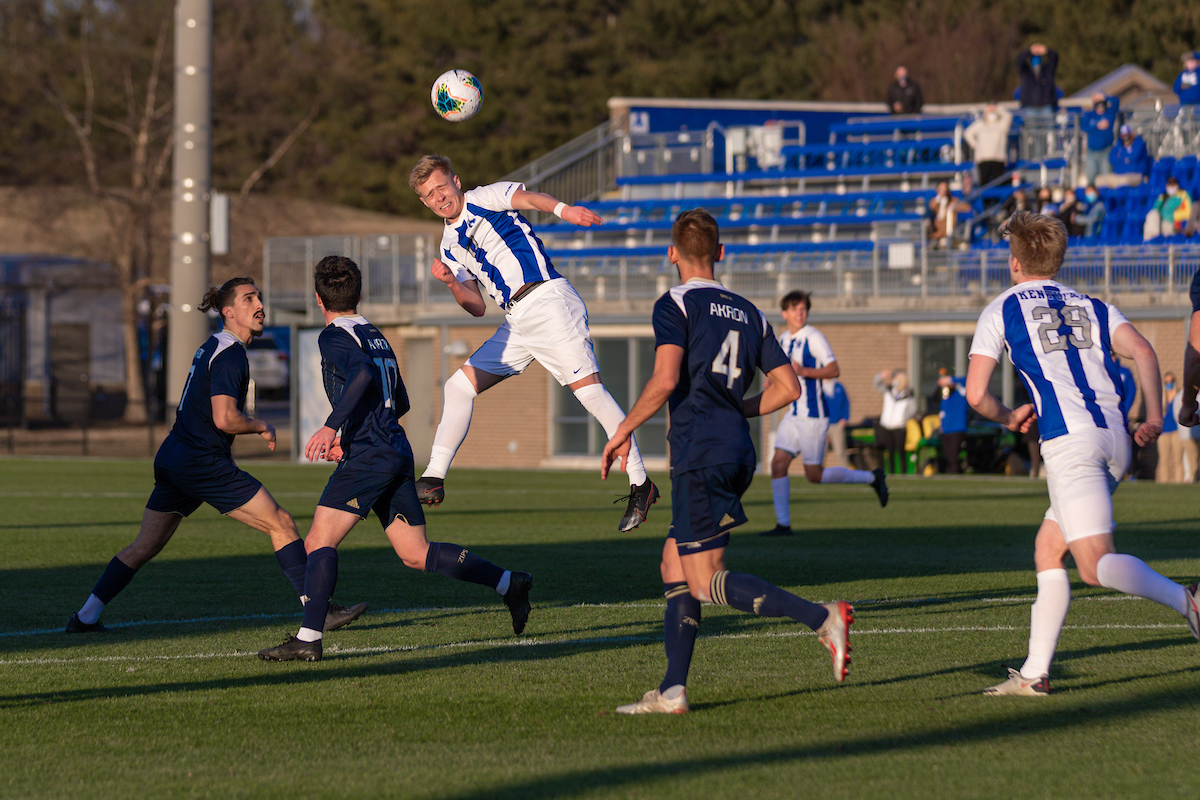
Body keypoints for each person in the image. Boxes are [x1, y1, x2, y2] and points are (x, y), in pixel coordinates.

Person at [600, 209, 853, 714]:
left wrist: (623, 429)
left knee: (703, 579)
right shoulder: (750, 311)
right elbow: (789, 388)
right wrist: (736, 406)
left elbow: (666, 380)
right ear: (720, 253)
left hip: (700, 452)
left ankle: (822, 617)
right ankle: (672, 690)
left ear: (672, 252)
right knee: (675, 562)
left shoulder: (675, 304)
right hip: (736, 449)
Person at [966, 211, 1199, 696]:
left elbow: (975, 396)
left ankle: (1189, 601)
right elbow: (1145, 352)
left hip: (1071, 444)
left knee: (1094, 566)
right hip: (1114, 439)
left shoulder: (1001, 308)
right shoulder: (1092, 304)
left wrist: (1008, 416)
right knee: (1049, 549)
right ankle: (1033, 675)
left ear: (1014, 263)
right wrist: (1154, 416)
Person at [258, 257, 533, 662]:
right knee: (415, 553)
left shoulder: (334, 335)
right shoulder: (374, 334)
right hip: (392, 450)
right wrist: (352, 432)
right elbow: (398, 399)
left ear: (319, 299)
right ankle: (510, 583)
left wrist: (332, 427)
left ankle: (308, 638)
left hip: (370, 455)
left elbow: (362, 378)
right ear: (359, 293)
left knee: (318, 540)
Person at [66, 279, 367, 634]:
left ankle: (84, 617)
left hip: (175, 456)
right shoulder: (231, 353)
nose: (259, 305)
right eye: (248, 299)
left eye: (259, 297)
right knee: (281, 522)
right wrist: (260, 426)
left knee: (144, 545)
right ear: (228, 312)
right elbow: (225, 418)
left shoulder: (212, 345)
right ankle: (321, 611)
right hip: (199, 462)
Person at [407, 155, 658, 532]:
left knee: (590, 394)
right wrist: (451, 283)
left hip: (548, 300)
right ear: (424, 203)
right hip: (517, 321)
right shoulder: (448, 246)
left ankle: (641, 482)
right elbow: (475, 306)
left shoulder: (483, 197)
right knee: (458, 387)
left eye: (442, 186)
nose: (439, 197)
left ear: (456, 181)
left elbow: (528, 198)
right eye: (429, 194)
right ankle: (433, 479)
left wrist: (564, 210)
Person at [758, 291, 887, 537]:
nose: (800, 313)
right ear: (784, 313)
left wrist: (803, 370)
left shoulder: (814, 337)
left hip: (814, 416)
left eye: (804, 309)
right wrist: (773, 382)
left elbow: (834, 369)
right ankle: (783, 524)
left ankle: (872, 477)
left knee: (814, 475)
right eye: (795, 308)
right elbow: (783, 374)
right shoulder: (783, 339)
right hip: (793, 415)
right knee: (778, 464)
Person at [873, 370, 917, 474]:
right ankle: (891, 473)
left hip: (899, 426)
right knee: (890, 451)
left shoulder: (908, 394)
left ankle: (903, 473)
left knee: (901, 451)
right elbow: (875, 384)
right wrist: (880, 376)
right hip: (887, 426)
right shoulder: (888, 390)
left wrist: (903, 418)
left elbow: (913, 409)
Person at [964, 104, 1013, 188]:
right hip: (983, 159)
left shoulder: (1002, 125)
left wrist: (997, 108)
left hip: (998, 159)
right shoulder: (980, 124)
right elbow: (967, 133)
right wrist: (975, 145)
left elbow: (1008, 116)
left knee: (998, 184)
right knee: (984, 183)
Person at [1080, 93, 1119, 185]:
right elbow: (1083, 128)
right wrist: (1097, 126)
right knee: (1090, 175)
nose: (1100, 106)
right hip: (1091, 151)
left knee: (1106, 176)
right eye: (1098, 103)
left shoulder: (1109, 113)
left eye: (1102, 103)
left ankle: (1106, 196)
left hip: (1106, 150)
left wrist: (1104, 96)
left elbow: (1116, 101)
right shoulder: (1090, 114)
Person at [1016, 44, 1059, 119]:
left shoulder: (1047, 69)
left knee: (1049, 130)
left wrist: (1046, 50)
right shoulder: (1026, 71)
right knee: (1031, 130)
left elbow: (1055, 57)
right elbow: (1019, 60)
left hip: (1047, 105)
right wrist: (1030, 51)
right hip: (1030, 106)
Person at [937, 373, 968, 474]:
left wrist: (951, 380)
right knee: (948, 456)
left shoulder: (960, 394)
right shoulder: (945, 398)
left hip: (957, 429)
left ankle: (955, 474)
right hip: (945, 430)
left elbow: (965, 381)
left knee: (953, 456)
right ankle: (950, 474)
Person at [1157, 371, 1183, 483]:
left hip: (1176, 431)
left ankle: (1179, 482)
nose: (1169, 384)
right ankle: (1163, 481)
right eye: (1166, 382)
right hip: (1164, 431)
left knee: (1178, 459)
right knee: (1163, 460)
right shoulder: (1161, 398)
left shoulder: (1179, 396)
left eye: (1171, 382)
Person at [928, 181, 971, 247]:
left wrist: (954, 206)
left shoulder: (953, 201)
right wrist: (939, 197)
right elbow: (932, 207)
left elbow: (967, 207)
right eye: (941, 189)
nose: (943, 191)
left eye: (945, 189)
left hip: (949, 233)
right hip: (937, 233)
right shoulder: (935, 201)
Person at [826, 380, 851, 468]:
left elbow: (846, 402)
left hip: (837, 424)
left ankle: (846, 471)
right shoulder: (819, 386)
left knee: (840, 450)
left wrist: (845, 418)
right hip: (822, 425)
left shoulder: (838, 386)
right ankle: (818, 473)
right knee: (821, 451)